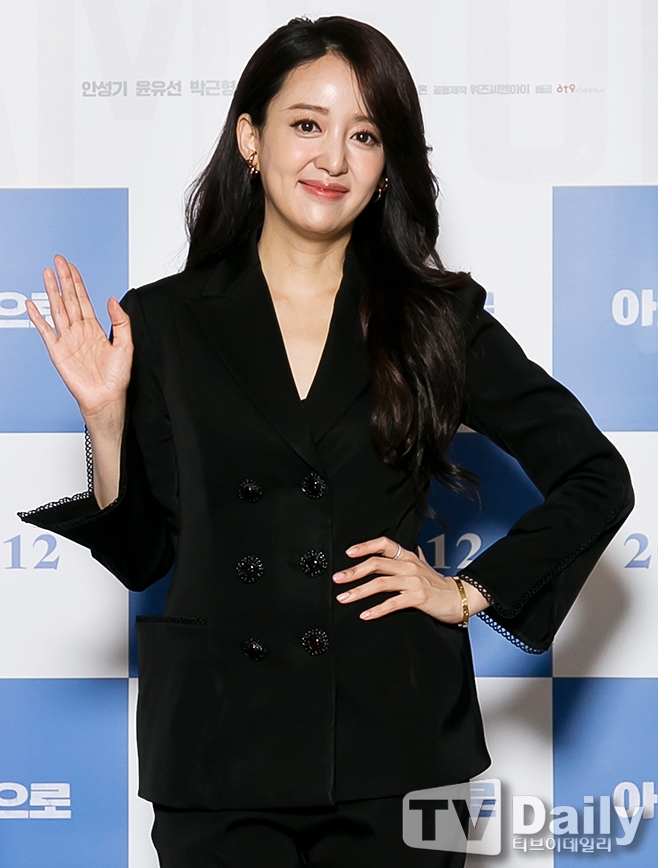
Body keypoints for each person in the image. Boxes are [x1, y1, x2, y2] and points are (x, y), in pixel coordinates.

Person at [19, 15, 633, 868]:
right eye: (307, 124)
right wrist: (104, 417)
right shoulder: (163, 320)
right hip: (218, 748)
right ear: (251, 138)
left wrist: (468, 590)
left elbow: (597, 477)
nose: (334, 158)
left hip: (396, 743)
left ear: (386, 167)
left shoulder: (436, 320)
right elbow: (145, 557)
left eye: (365, 135)